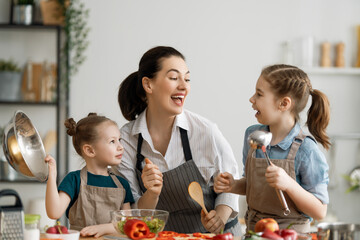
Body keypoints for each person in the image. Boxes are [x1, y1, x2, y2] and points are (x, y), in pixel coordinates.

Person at [113, 46, 242, 235]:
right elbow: (133, 214)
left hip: (215, 236)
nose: (184, 86)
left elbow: (230, 182)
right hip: (164, 237)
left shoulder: (205, 131)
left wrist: (219, 217)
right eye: (174, 78)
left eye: (187, 79)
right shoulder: (126, 140)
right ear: (148, 85)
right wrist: (152, 192)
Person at [214, 64, 330, 233]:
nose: (251, 99)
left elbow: (320, 211)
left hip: (292, 235)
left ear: (284, 103)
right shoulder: (253, 134)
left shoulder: (306, 149)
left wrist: (289, 184)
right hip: (254, 233)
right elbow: (252, 185)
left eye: (259, 94)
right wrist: (233, 185)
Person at [45, 113, 134, 238]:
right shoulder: (74, 180)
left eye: (119, 140)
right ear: (90, 150)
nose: (121, 147)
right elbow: (54, 212)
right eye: (112, 141)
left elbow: (128, 224)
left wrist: (104, 228)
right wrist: (52, 175)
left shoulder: (122, 184)